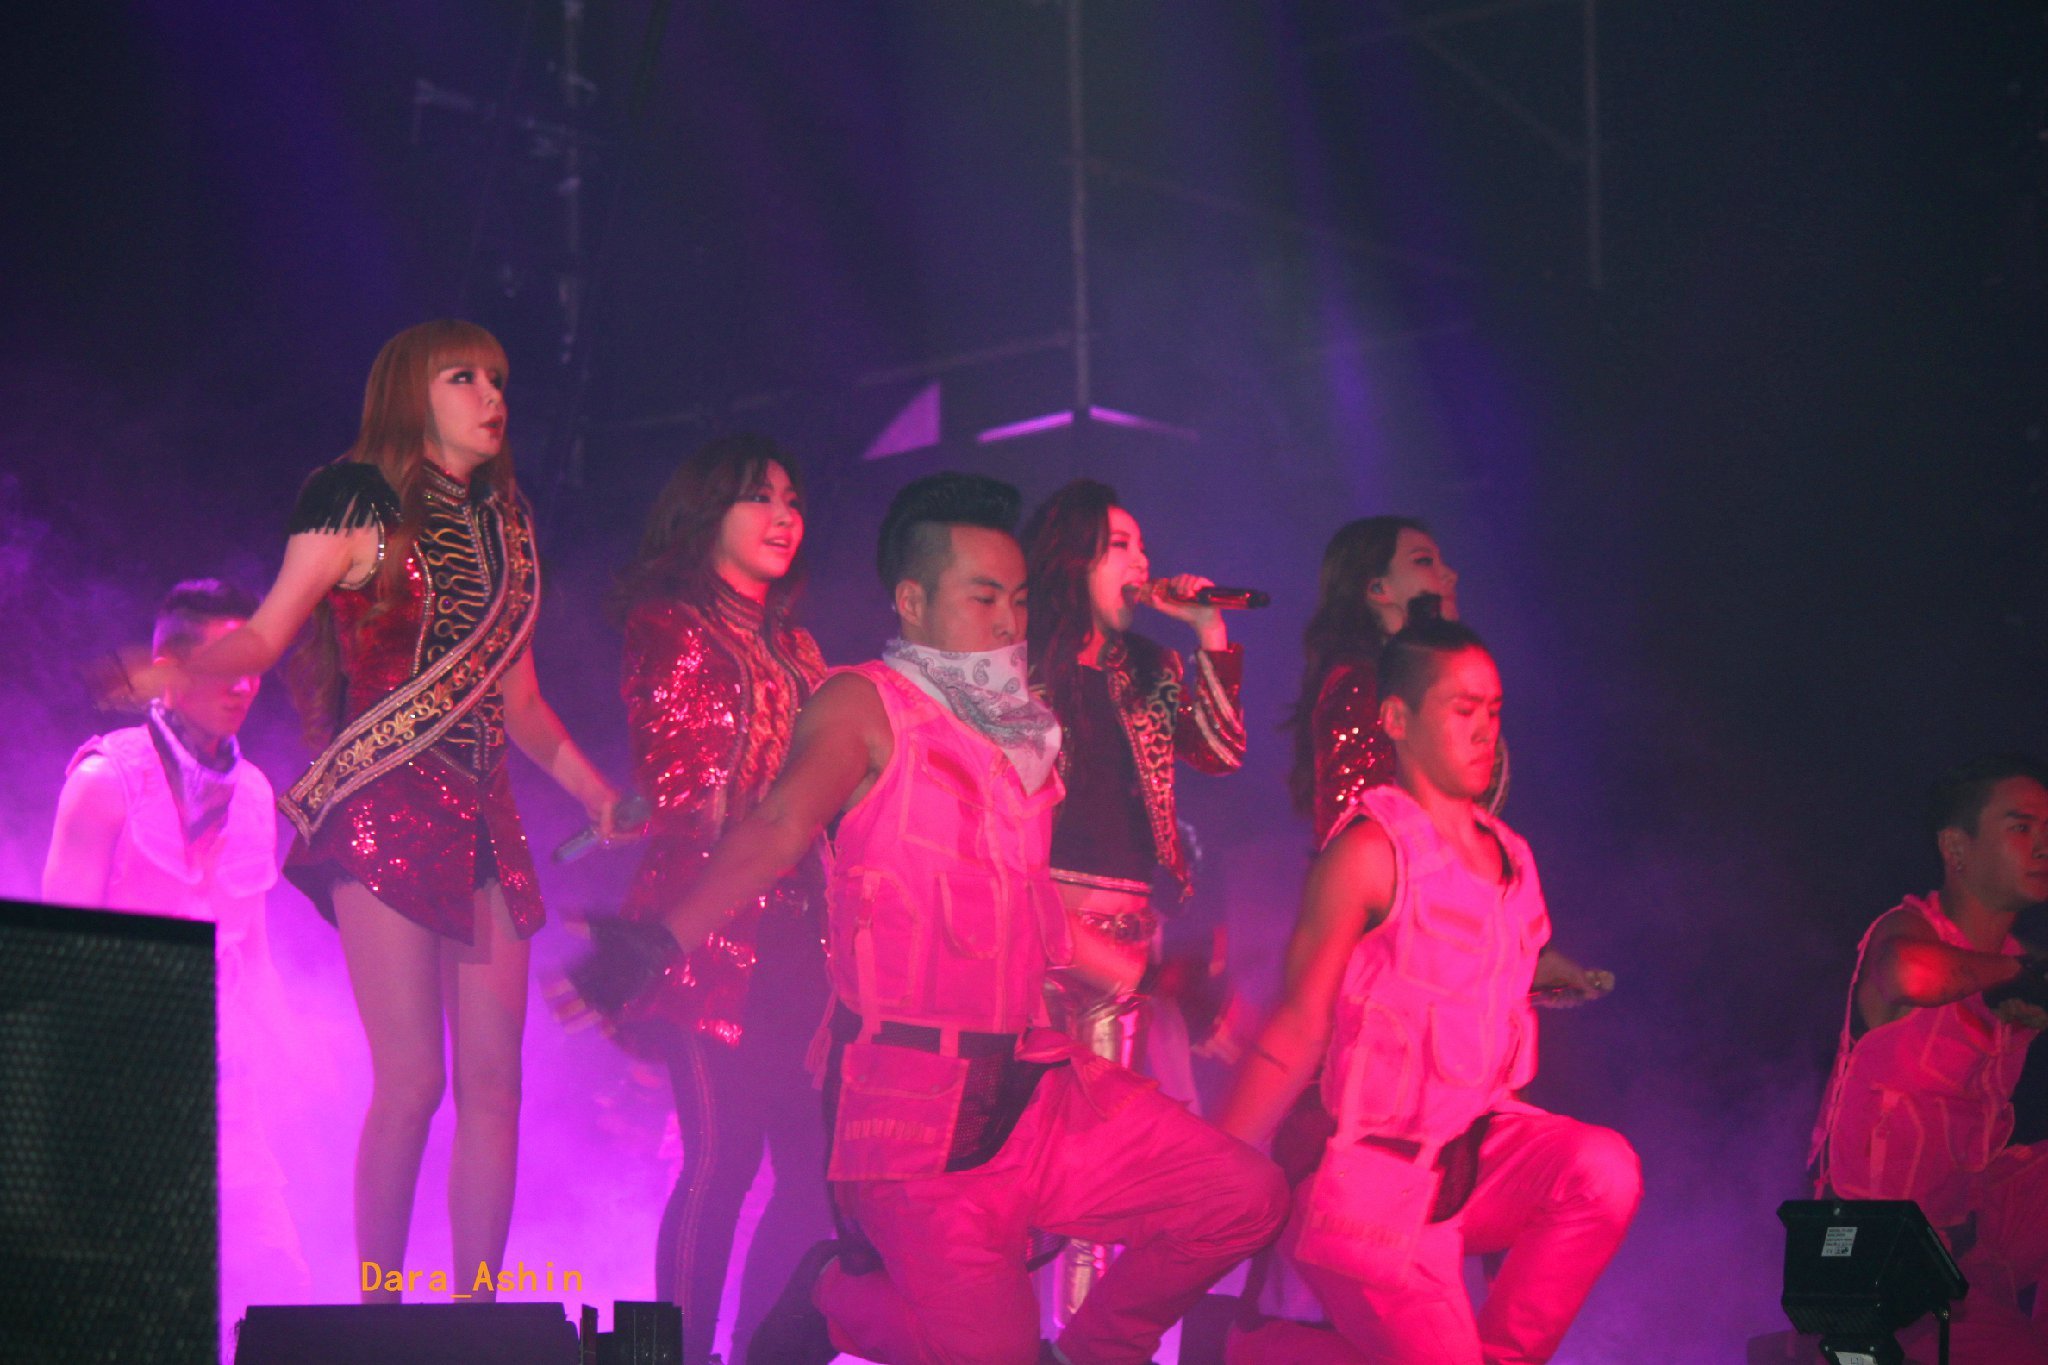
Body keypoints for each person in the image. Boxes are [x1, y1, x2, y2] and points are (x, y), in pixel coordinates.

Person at [569, 472, 1287, 1365]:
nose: (1008, 620)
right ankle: (838, 1300)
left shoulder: (1022, 730)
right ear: (912, 599)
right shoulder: (865, 702)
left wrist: (1155, 976)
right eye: (983, 597)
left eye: (1018, 599)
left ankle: (1082, 1354)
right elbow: (781, 823)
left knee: (1244, 1196)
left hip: (1034, 1090)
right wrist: (660, 938)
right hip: (914, 1120)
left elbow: (1030, 906)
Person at [185, 320, 621, 1300]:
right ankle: (378, 1308)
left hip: (485, 813)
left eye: (498, 378)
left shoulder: (510, 526)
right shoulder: (352, 499)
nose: (492, 395)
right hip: (383, 803)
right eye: (464, 377)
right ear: (408, 393)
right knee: (415, 1079)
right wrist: (171, 671)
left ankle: (476, 1318)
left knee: (496, 1087)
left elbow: (520, 702)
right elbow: (266, 634)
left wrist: (597, 792)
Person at [1220, 614, 1639, 1364]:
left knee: (1602, 1169)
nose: (1485, 732)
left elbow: (1476, 962)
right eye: (1462, 709)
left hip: (1468, 1163)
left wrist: (1552, 974)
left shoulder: (1512, 858)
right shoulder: (1367, 854)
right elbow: (1299, 1025)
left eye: (1494, 711)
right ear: (1396, 718)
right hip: (1368, 1185)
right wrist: (1216, 1164)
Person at [44, 578, 311, 1358]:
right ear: (168, 666)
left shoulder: (254, 794)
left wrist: (299, 1058)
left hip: (224, 1093)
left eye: (253, 664)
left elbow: (252, 955)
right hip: (117, 1092)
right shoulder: (105, 781)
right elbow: (60, 957)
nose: (244, 685)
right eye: (227, 664)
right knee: (137, 1318)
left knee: (278, 1293)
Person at [609, 433, 829, 1363]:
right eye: (759, 497)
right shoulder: (669, 625)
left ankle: (760, 1351)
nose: (784, 516)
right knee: (721, 1159)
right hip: (705, 930)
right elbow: (681, 785)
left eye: (792, 498)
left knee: (816, 1177)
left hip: (807, 937)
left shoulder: (801, 646)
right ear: (707, 513)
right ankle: (668, 1357)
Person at [1021, 478, 1246, 1318]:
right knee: (1013, 1152)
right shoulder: (1018, 663)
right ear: (1073, 556)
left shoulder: (1153, 666)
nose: (1143, 561)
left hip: (1122, 935)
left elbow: (1221, 751)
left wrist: (1209, 630)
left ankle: (1077, 1341)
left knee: (1097, 1164)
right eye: (1121, 544)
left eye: (1144, 546)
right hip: (1033, 921)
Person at [1809, 754, 2048, 1362]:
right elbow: (1909, 976)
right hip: (1872, 1253)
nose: (2043, 845)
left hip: (1964, 1246)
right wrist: (2017, 973)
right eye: (2021, 827)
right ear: (1956, 847)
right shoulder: (1907, 930)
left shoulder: (2016, 963)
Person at [1285, 516, 1498, 845]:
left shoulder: (1439, 678)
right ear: (1377, 589)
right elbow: (1347, 828)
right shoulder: (1359, 687)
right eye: (1424, 561)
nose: (1449, 575)